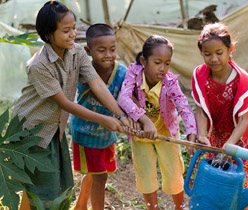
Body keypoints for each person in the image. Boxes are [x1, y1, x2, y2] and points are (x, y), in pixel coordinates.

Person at [13, 2, 133, 210]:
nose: (73, 34)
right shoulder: (39, 65)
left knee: (48, 185)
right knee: (46, 190)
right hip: (32, 131)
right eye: (66, 30)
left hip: (54, 129)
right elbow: (65, 103)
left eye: (74, 28)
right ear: (48, 34)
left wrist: (120, 115)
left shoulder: (76, 52)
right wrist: (105, 119)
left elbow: (96, 84)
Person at [118, 35, 197, 210]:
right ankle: (152, 208)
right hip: (141, 134)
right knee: (145, 174)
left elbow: (184, 107)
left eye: (167, 63)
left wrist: (191, 132)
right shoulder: (133, 73)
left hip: (166, 132)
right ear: (143, 61)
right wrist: (144, 121)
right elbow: (123, 98)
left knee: (174, 172)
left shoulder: (170, 83)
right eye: (157, 62)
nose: (163, 68)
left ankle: (179, 207)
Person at [191, 23, 248, 210]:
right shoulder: (199, 74)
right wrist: (202, 134)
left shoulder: (241, 79)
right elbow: (201, 109)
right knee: (212, 173)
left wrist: (231, 145)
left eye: (219, 52)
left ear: (230, 50)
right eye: (207, 54)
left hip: (241, 134)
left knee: (238, 177)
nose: (213, 59)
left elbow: (244, 119)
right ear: (201, 52)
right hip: (216, 130)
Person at [68, 23, 128, 210]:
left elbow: (128, 99)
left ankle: (81, 204)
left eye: (112, 49)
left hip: (107, 135)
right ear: (88, 50)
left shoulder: (122, 72)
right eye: (101, 50)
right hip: (86, 134)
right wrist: (123, 117)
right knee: (100, 176)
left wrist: (134, 117)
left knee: (95, 173)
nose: (108, 55)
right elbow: (101, 96)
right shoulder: (85, 72)